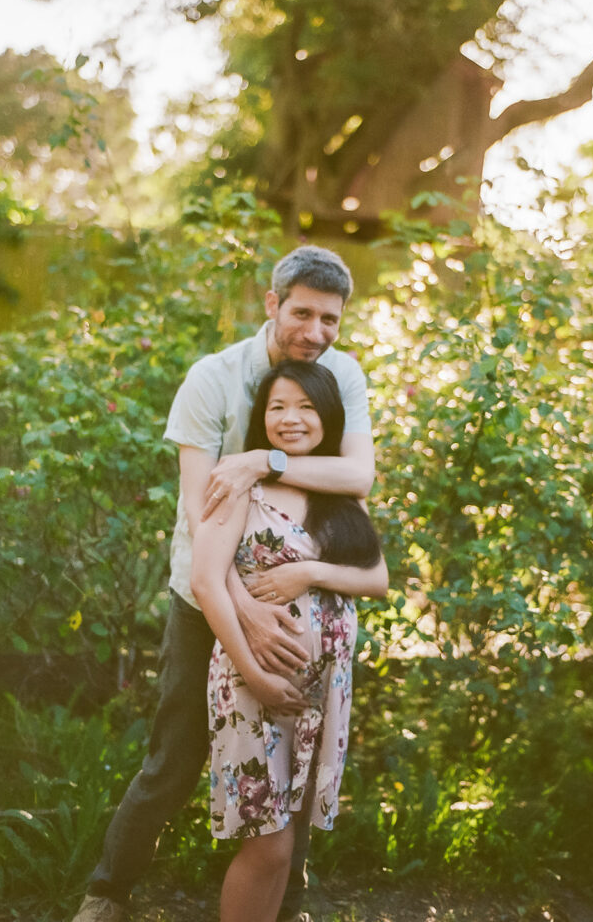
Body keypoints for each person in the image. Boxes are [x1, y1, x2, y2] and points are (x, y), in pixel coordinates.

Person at [73, 246, 376, 922]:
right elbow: (196, 508)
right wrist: (241, 607)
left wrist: (257, 461)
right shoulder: (213, 379)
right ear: (271, 304)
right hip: (204, 594)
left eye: (330, 320)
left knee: (296, 753)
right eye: (302, 312)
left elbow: (356, 478)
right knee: (175, 755)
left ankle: (284, 901)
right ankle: (108, 891)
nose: (316, 332)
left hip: (300, 599)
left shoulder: (341, 375)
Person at [191, 360, 388, 922]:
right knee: (268, 843)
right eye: (277, 406)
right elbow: (206, 581)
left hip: (320, 692)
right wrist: (256, 675)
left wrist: (308, 573)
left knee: (286, 843)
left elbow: (377, 580)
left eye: (305, 406)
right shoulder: (239, 484)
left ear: (327, 417)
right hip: (253, 684)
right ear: (261, 418)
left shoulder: (339, 495)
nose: (290, 418)